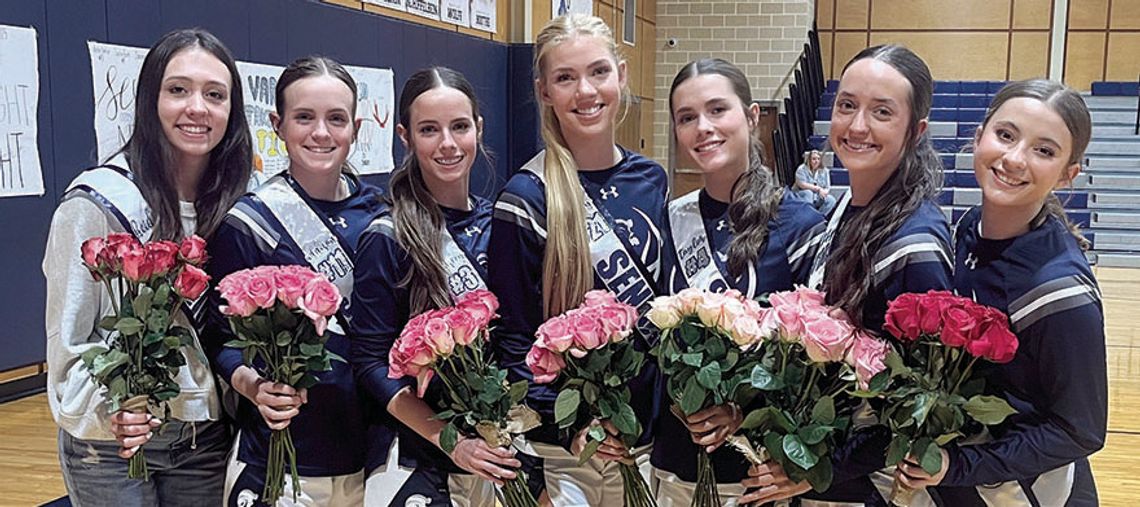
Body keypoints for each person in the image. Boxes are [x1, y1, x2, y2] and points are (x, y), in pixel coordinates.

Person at [739, 44, 954, 506]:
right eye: (847, 106)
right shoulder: (844, 209)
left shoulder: (918, 242)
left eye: (881, 112)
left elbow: (920, 402)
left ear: (915, 131)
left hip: (870, 486)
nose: (857, 126)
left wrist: (821, 469)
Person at [44, 28, 250, 505]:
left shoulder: (236, 203)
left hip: (205, 438)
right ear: (149, 98)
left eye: (215, 95)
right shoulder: (97, 202)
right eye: (178, 89)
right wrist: (108, 410)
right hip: (114, 442)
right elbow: (69, 340)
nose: (197, 108)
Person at [895, 79, 1107, 507]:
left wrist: (959, 466)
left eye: (1043, 150)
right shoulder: (968, 230)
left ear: (1068, 173)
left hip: (1032, 494)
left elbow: (1080, 429)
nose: (1014, 158)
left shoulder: (1059, 289)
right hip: (965, 484)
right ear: (979, 137)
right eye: (1005, 135)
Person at [488, 13, 669, 506]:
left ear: (622, 75)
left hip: (651, 447)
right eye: (565, 78)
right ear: (544, 90)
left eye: (598, 72)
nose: (585, 91)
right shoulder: (524, 199)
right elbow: (513, 343)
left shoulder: (653, 181)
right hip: (571, 455)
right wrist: (569, 426)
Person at [202, 56, 380, 506]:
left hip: (370, 457)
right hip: (278, 460)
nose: (321, 133)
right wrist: (253, 387)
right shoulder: (249, 223)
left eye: (336, 119)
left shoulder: (383, 215)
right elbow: (221, 339)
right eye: (304, 117)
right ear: (278, 124)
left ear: (355, 128)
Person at [655, 57, 826, 506]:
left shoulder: (799, 224)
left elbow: (814, 362)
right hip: (676, 461)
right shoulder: (672, 219)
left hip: (759, 471)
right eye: (687, 118)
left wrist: (742, 412)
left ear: (751, 117)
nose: (703, 127)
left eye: (717, 110)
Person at [348, 66, 520, 506]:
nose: (447, 143)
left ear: (478, 130)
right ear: (405, 137)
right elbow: (370, 363)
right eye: (429, 130)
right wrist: (452, 442)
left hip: (495, 454)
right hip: (416, 457)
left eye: (459, 127)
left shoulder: (499, 225)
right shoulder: (387, 236)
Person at [794, 150, 837, 215]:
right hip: (803, 195)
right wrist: (818, 189)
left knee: (831, 200)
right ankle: (807, 216)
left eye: (818, 159)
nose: (816, 161)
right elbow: (802, 185)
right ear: (809, 160)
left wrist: (825, 192)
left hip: (818, 195)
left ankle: (818, 217)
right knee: (808, 193)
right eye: (814, 159)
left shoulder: (825, 170)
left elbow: (827, 187)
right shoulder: (801, 169)